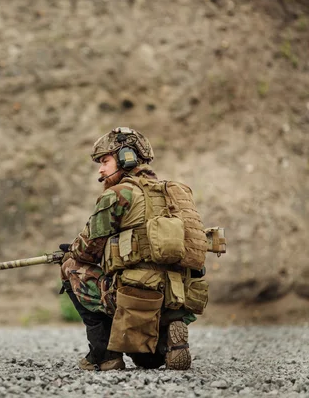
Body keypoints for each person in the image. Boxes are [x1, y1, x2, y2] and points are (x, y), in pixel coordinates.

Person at [60, 127, 207, 371]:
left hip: (134, 295)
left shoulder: (119, 194)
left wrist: (71, 250)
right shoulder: (177, 193)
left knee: (70, 267)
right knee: (147, 363)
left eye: (105, 161)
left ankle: (104, 356)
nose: (100, 169)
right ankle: (165, 340)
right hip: (179, 299)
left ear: (126, 157)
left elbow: (87, 251)